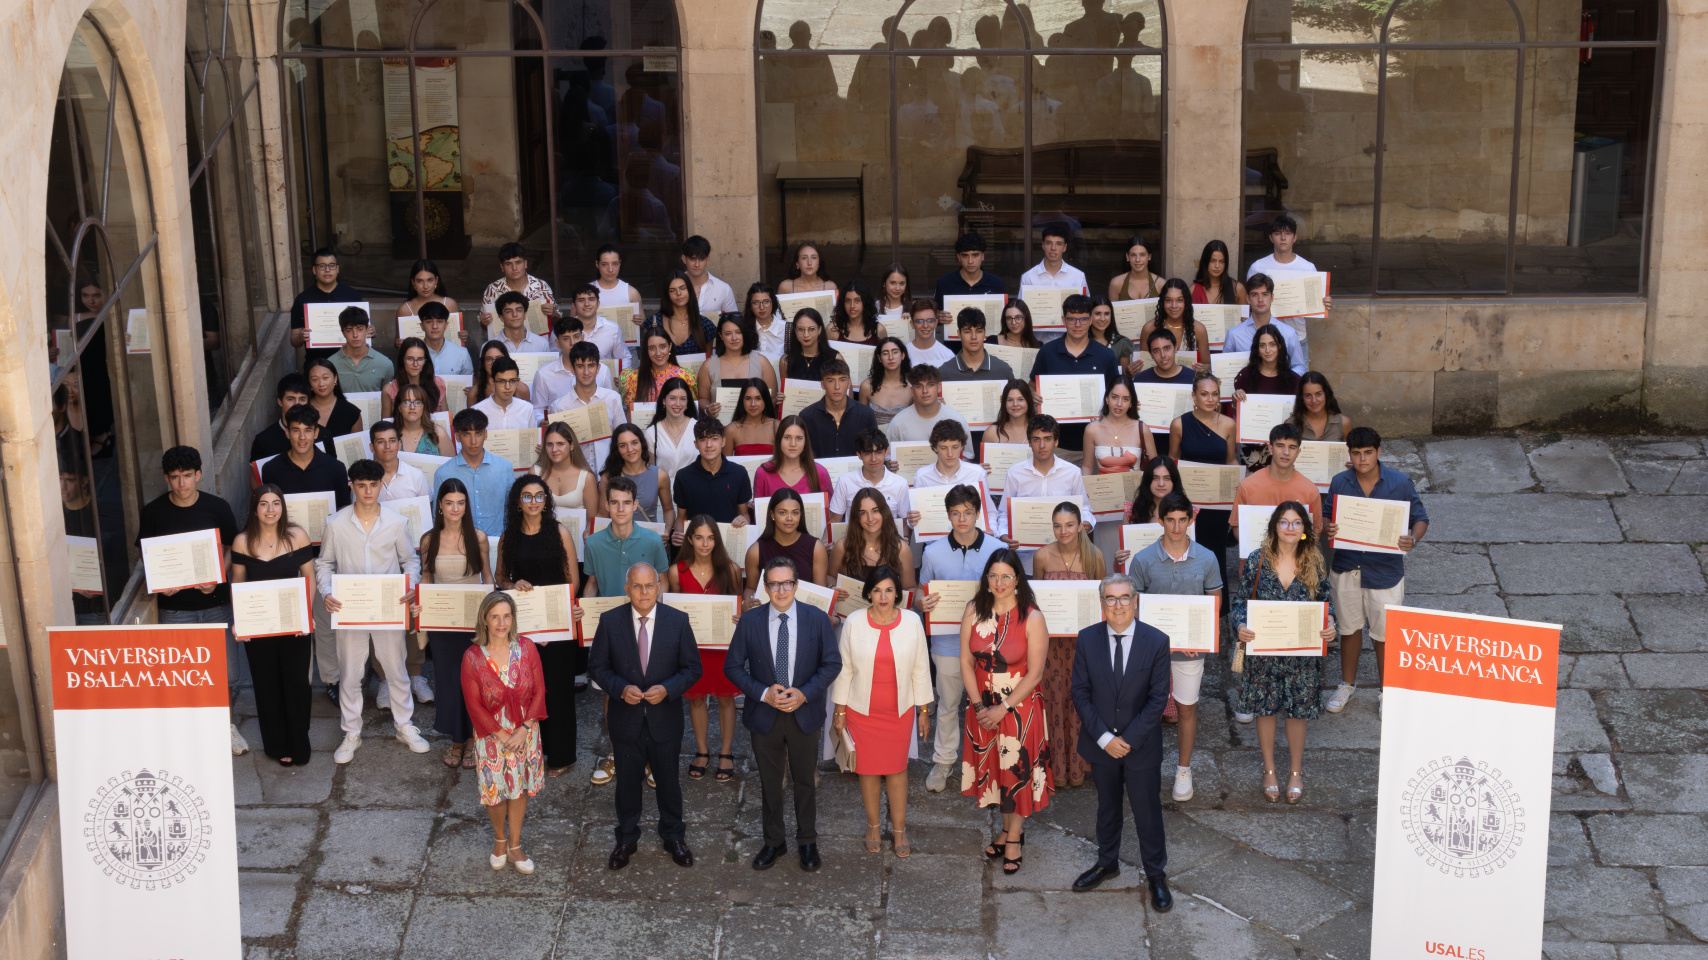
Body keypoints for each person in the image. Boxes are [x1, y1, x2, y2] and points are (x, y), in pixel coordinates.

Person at [725, 556, 843, 871]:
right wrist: (764, 693)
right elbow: (732, 667)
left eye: (786, 583)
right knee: (769, 781)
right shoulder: (750, 622)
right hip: (766, 714)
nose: (780, 590)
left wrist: (804, 693)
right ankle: (773, 842)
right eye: (774, 584)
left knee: (805, 780)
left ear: (796, 585)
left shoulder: (816, 619)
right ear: (765, 586)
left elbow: (832, 664)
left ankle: (807, 842)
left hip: (804, 713)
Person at [1067, 573, 1172, 910]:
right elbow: (1080, 692)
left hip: (1140, 746)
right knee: (1107, 808)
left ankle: (1156, 874)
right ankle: (1106, 862)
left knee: (1147, 813)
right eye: (1110, 599)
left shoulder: (1156, 641)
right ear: (1102, 603)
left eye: (1124, 597)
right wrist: (1103, 738)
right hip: (1102, 746)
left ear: (1135, 600)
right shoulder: (1086, 639)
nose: (1118, 605)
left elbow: (1158, 700)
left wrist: (1125, 740)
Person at [589, 561, 702, 870]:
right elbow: (597, 666)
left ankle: (674, 836)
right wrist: (619, 688)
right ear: (627, 590)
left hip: (664, 718)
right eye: (636, 586)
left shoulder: (677, 621)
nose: (643, 592)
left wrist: (667, 689)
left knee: (668, 781)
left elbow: (693, 668)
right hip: (625, 719)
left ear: (658, 587)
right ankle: (626, 839)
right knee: (626, 783)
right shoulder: (610, 621)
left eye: (649, 585)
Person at [316, 459, 425, 764]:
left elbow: (411, 562)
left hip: (388, 607)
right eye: (361, 485)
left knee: (396, 669)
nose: (367, 491)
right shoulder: (335, 523)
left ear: (380, 486)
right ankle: (351, 733)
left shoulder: (396, 522)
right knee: (350, 673)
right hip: (349, 609)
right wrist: (326, 591)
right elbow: (323, 564)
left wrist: (411, 585)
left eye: (373, 485)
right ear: (352, 485)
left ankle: (404, 726)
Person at [139, 446, 243, 753]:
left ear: (198, 474)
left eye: (187, 476)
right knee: (183, 672)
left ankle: (227, 728)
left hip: (215, 603)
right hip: (175, 608)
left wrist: (218, 576)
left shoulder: (216, 507)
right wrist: (160, 582)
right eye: (175, 477)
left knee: (224, 673)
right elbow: (148, 555)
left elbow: (232, 547)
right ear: (167, 478)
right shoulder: (154, 512)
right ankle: (192, 735)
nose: (182, 483)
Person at [1233, 502, 1339, 803]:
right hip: (1263, 652)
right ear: (1274, 527)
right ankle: (1269, 769)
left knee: (1298, 711)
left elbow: (1326, 604)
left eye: (1296, 523)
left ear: (1305, 530)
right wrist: (1240, 624)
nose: (1290, 528)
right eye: (1283, 522)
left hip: (1301, 654)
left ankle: (1295, 771)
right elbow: (1241, 601)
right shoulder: (1257, 560)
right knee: (1265, 708)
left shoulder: (1315, 562)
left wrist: (1330, 625)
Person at [1321, 427, 1428, 716]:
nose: (1362, 458)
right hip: (1346, 568)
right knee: (1349, 629)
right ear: (1349, 454)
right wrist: (1327, 525)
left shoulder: (1401, 482)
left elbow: (1420, 518)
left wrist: (1413, 539)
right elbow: (1327, 515)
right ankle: (1347, 685)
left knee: (1385, 635)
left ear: (1378, 453)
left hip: (1385, 571)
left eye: (1368, 452)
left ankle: (1387, 692)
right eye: (1356, 453)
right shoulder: (1340, 482)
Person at [959, 548, 1053, 874]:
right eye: (994, 576)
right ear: (987, 579)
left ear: (1017, 580)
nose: (999, 582)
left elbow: (1036, 673)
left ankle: (1014, 836)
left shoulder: (1032, 617)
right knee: (997, 775)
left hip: (1019, 709)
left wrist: (1002, 708)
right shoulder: (974, 610)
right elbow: (966, 662)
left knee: (1016, 773)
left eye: (1006, 576)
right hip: (982, 707)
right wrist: (979, 705)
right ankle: (1007, 827)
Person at [1128, 492, 1223, 802]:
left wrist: (1203, 638)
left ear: (1191, 520)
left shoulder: (1207, 557)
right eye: (1171, 520)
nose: (1177, 527)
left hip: (1189, 649)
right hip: (1150, 650)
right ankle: (1142, 769)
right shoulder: (1142, 560)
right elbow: (1134, 607)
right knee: (1144, 710)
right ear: (1161, 521)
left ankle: (1183, 769)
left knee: (1186, 707)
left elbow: (1214, 602)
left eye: (1183, 520)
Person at [831, 565, 933, 856]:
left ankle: (899, 830)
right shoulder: (854, 622)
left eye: (889, 590)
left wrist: (923, 710)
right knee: (868, 771)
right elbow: (845, 669)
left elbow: (921, 668)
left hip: (898, 712)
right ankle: (873, 825)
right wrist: (839, 711)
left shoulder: (912, 621)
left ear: (897, 593)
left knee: (898, 769)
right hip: (862, 710)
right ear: (869, 594)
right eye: (877, 590)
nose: (883, 596)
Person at [914, 484, 1003, 793]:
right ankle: (943, 762)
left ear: (978, 513)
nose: (962, 519)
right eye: (955, 514)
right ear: (948, 515)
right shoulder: (934, 551)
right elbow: (919, 590)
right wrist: (919, 601)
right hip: (947, 642)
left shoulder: (996, 549)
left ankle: (992, 763)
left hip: (989, 644)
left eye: (967, 513)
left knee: (991, 706)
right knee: (949, 705)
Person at [262, 405, 354, 696]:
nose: (302, 437)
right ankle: (296, 681)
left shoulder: (334, 468)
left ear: (317, 432)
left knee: (326, 622)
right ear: (287, 432)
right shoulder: (272, 468)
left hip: (323, 556)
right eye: (295, 430)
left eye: (308, 430)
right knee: (292, 621)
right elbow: (268, 510)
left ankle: (331, 679)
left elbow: (342, 511)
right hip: (285, 556)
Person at [493, 475, 582, 775]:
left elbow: (573, 581)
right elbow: (500, 578)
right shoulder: (509, 536)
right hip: (524, 625)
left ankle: (561, 757)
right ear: (518, 502)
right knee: (525, 691)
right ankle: (529, 751)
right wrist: (512, 583)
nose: (534, 502)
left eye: (539, 496)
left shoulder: (559, 533)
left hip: (556, 625)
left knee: (557, 691)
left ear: (547, 500)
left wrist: (552, 620)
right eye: (527, 496)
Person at [230, 484, 317, 765]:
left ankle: (298, 741)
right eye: (264, 504)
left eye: (276, 503)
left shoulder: (297, 536)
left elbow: (309, 577)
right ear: (255, 509)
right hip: (259, 627)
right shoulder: (242, 541)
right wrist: (239, 621)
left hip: (294, 623)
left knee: (296, 683)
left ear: (283, 507)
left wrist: (306, 613)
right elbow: (238, 583)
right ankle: (276, 744)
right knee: (267, 684)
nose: (270, 509)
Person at [461, 592, 546, 874]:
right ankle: (499, 839)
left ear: (513, 617)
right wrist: (501, 735)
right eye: (495, 616)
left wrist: (523, 729)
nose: (501, 622)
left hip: (526, 731)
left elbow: (539, 691)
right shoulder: (472, 657)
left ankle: (515, 845)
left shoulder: (527, 647)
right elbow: (473, 706)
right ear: (484, 619)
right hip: (491, 736)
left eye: (506, 616)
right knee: (495, 791)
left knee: (519, 787)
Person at [414, 478, 491, 769]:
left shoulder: (478, 537)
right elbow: (426, 577)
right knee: (447, 680)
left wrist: (492, 617)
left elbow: (487, 578)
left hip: (473, 621)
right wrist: (421, 605)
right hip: (442, 621)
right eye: (449, 503)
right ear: (440, 507)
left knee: (474, 681)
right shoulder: (428, 539)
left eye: (460, 503)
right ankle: (456, 740)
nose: (455, 508)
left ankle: (473, 738)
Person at [1030, 501, 1105, 789]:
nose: (1064, 531)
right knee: (1052, 697)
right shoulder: (1041, 556)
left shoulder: (1094, 555)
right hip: (1049, 642)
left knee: (1080, 699)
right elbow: (1036, 600)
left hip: (1083, 642)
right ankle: (1055, 765)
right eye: (1058, 526)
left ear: (1080, 525)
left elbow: (1102, 600)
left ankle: (1079, 764)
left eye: (1070, 525)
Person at [669, 515, 745, 782]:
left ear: (717, 539)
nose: (705, 543)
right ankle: (702, 751)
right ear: (689, 539)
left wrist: (739, 615)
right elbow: (672, 610)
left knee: (726, 697)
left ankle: (726, 752)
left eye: (711, 537)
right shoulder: (677, 570)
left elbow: (739, 602)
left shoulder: (731, 569)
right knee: (697, 698)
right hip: (693, 646)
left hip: (723, 645)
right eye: (699, 537)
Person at [1002, 415, 1095, 569]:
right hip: (1025, 560)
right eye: (1036, 439)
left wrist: (1087, 523)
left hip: (1065, 560)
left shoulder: (1072, 472)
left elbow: (1084, 508)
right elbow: (1004, 514)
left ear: (1056, 441)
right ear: (1029, 442)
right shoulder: (1015, 473)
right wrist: (1004, 534)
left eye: (1047, 438)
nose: (1042, 445)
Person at [1031, 294, 1116, 457]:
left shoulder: (1106, 355)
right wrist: (1032, 395)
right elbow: (1031, 387)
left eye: (1083, 319)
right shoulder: (1047, 352)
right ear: (1063, 320)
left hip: (1097, 445)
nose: (1077, 325)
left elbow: (1115, 394)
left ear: (1091, 320)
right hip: (1056, 446)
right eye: (1072, 319)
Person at [1245, 214, 1332, 362]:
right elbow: (1249, 302)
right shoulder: (1258, 267)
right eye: (1278, 234)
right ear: (1271, 238)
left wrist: (1324, 303)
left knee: (1299, 381)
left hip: (1297, 336)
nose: (1283, 238)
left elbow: (1315, 304)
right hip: (1265, 339)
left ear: (1295, 237)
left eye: (1287, 233)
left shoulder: (1308, 268)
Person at [547, 342, 628, 472]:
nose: (586, 372)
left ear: (598, 368)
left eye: (591, 365)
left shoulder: (612, 398)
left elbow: (622, 437)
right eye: (580, 366)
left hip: (610, 471)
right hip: (575, 475)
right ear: (572, 369)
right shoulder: (559, 406)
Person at [671, 418, 753, 545]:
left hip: (728, 543)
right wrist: (678, 534)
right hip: (696, 547)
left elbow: (744, 514)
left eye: (714, 438)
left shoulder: (739, 473)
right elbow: (681, 517)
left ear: (723, 441)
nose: (709, 445)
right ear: (696, 444)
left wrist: (744, 520)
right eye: (703, 440)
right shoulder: (684, 476)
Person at [830, 489, 917, 609]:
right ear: (857, 517)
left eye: (875, 511)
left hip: (888, 616)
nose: (870, 518)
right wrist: (832, 588)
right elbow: (830, 576)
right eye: (863, 513)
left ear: (884, 512)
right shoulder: (842, 547)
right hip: (851, 615)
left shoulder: (901, 549)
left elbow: (910, 588)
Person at [434, 408, 514, 538]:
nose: (473, 441)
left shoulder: (504, 467)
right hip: (460, 545)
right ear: (458, 437)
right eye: (466, 434)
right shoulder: (443, 473)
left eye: (478, 433)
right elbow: (437, 516)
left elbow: (512, 509)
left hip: (499, 542)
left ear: (486, 434)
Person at [1222, 275, 1307, 375]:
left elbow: (1299, 366)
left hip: (1280, 389)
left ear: (1272, 297)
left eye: (1265, 294)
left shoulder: (1288, 333)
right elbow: (1224, 368)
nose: (1260, 299)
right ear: (1248, 299)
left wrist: (1283, 380)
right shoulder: (1234, 334)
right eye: (1254, 294)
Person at [289, 247, 362, 363]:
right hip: (317, 362)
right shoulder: (303, 299)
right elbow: (293, 340)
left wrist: (370, 331)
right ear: (314, 270)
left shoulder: (352, 296)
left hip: (350, 361)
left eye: (332, 265)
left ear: (337, 269)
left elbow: (363, 327)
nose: (327, 270)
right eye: (322, 266)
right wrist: (300, 337)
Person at [744, 488, 827, 588]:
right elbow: (750, 589)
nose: (789, 518)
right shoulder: (755, 551)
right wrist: (750, 601)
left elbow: (821, 591)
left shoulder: (816, 547)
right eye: (783, 513)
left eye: (795, 513)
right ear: (772, 514)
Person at [698, 316, 778, 418]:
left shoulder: (762, 362)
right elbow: (702, 399)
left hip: (755, 426)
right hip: (720, 428)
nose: (734, 338)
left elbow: (773, 398)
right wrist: (707, 409)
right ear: (721, 336)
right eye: (728, 334)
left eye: (738, 332)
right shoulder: (708, 365)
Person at [533, 315, 615, 415]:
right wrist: (542, 421)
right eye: (566, 338)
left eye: (576, 337)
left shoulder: (602, 370)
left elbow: (610, 405)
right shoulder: (544, 374)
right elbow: (537, 409)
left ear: (583, 337)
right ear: (557, 343)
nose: (572, 343)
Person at [828, 428, 910, 524]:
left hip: (889, 539)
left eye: (878, 452)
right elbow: (834, 520)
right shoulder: (845, 481)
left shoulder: (900, 483)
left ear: (886, 452)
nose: (873, 459)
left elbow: (905, 522)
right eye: (867, 453)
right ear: (859, 454)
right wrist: (825, 539)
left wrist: (905, 538)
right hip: (855, 538)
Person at [798, 358, 875, 460]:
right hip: (818, 475)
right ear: (822, 384)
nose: (837, 387)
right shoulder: (806, 416)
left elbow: (874, 452)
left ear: (849, 383)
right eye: (831, 381)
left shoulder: (866, 415)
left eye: (842, 380)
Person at [600, 424, 675, 527]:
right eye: (623, 445)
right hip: (619, 538)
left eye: (634, 443)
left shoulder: (660, 475)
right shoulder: (609, 477)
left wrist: (667, 530)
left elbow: (668, 509)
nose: (630, 449)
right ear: (617, 449)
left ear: (641, 443)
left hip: (649, 538)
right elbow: (603, 515)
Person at [1082, 376, 1155, 477]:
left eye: (1125, 399)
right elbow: (1087, 466)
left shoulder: (1142, 429)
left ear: (1131, 403)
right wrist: (1087, 487)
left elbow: (1155, 468)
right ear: (1107, 398)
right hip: (1103, 489)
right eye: (1114, 397)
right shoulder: (1092, 429)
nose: (1119, 404)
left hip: (1135, 491)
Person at [642, 270, 716, 360]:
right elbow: (647, 359)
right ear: (667, 294)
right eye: (672, 290)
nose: (678, 293)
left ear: (689, 290)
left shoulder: (705, 325)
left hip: (696, 374)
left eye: (682, 288)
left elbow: (708, 361)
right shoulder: (653, 323)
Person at [886, 365, 970, 444]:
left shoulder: (957, 420)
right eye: (919, 386)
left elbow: (966, 457)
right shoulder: (898, 423)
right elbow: (889, 457)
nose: (925, 391)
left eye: (931, 385)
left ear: (939, 387)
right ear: (912, 391)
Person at [480, 242, 558, 324]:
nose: (514, 268)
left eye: (518, 262)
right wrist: (484, 321)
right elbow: (483, 324)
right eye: (508, 264)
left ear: (525, 264)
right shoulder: (493, 289)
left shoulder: (541, 286)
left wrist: (554, 314)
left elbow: (557, 321)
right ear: (502, 267)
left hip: (537, 336)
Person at [535, 421, 600, 519]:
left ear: (572, 445)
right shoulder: (536, 473)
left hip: (577, 534)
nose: (554, 449)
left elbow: (592, 520)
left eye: (560, 444)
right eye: (549, 444)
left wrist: (587, 533)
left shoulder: (586, 477)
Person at [754, 416, 832, 498]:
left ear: (805, 441)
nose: (793, 444)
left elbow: (829, 509)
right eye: (787, 437)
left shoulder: (820, 472)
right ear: (779, 440)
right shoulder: (763, 473)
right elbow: (759, 509)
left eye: (799, 438)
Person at [395, 259, 465, 349]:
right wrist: (398, 343)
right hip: (418, 361)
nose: (425, 286)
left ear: (436, 280)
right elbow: (397, 341)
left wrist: (462, 336)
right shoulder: (405, 309)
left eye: (430, 280)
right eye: (420, 281)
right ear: (413, 282)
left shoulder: (449, 304)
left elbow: (457, 338)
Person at [1139, 279, 1210, 366]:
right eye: (1169, 300)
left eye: (1179, 300)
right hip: (1158, 379)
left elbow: (1207, 365)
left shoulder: (1199, 329)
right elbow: (1144, 365)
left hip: (1189, 379)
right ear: (1162, 302)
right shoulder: (1149, 328)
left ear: (1186, 302)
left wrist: (1201, 368)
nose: (1174, 306)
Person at [939, 308, 1015, 385]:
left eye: (979, 331)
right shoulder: (944, 372)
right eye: (967, 332)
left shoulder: (1003, 370)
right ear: (959, 334)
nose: (974, 337)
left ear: (984, 333)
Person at [621, 329, 698, 406]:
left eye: (662, 346)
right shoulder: (634, 377)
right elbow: (631, 413)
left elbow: (690, 410)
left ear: (670, 346)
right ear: (646, 350)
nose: (658, 353)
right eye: (652, 348)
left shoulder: (685, 376)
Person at [304, 357, 362, 456]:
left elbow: (356, 451)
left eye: (325, 378)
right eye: (315, 379)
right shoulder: (302, 410)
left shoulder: (351, 412)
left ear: (335, 378)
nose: (321, 384)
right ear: (309, 382)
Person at [328, 306, 393, 393]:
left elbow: (388, 399)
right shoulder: (330, 364)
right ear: (343, 333)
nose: (355, 335)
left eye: (360, 329)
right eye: (349, 330)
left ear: (367, 330)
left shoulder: (385, 364)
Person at [249, 373, 313, 462]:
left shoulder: (322, 435)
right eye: (290, 399)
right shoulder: (263, 441)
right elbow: (255, 475)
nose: (297, 404)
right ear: (280, 401)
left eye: (302, 399)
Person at [645, 377, 701, 478]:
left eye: (683, 399)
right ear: (663, 401)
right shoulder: (652, 432)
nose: (678, 404)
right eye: (672, 398)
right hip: (664, 491)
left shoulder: (698, 428)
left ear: (687, 402)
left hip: (694, 490)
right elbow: (651, 473)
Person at [1233, 323, 1302, 402]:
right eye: (1262, 345)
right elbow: (1238, 412)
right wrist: (1236, 400)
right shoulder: (1245, 376)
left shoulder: (1294, 380)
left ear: (1279, 346)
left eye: (1272, 344)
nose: (1267, 350)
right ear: (1257, 349)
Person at [934, 231, 1005, 306]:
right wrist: (940, 314)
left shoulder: (995, 283)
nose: (970, 261)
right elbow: (936, 312)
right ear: (959, 257)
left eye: (975, 255)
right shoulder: (944, 283)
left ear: (982, 256)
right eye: (965, 256)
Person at [383, 339, 446, 419]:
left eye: (420, 359)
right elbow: (385, 427)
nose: (415, 364)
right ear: (402, 360)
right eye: (410, 359)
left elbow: (445, 419)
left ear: (425, 361)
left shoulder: (438, 383)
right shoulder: (389, 389)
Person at [370, 420, 429, 504]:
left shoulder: (416, 476)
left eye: (392, 441)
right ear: (372, 447)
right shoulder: (362, 478)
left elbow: (427, 511)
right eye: (380, 442)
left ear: (399, 445)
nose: (387, 446)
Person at [857, 337, 912, 427]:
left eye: (895, 352)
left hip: (903, 439)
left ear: (902, 355)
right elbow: (860, 421)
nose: (891, 357)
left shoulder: (912, 386)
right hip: (874, 439)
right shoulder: (867, 386)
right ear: (879, 358)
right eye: (885, 353)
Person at [471, 357, 538, 430]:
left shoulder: (527, 409)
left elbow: (533, 440)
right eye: (502, 381)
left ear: (518, 381)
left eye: (512, 381)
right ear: (492, 381)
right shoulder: (477, 411)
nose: (507, 387)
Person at [566, 282, 628, 360]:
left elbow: (624, 358)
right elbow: (554, 359)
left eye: (591, 299)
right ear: (574, 305)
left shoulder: (612, 329)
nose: (586, 304)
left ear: (598, 303)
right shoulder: (563, 330)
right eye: (581, 300)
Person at [1021, 222, 1088, 291]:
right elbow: (1022, 302)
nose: (1053, 248)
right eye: (1049, 243)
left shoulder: (1078, 277)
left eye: (1059, 244)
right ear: (1043, 245)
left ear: (1065, 247)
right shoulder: (1028, 277)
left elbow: (1085, 302)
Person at [681, 235, 738, 314]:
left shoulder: (723, 289)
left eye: (701, 259)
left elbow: (734, 321)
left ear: (707, 259)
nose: (697, 264)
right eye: (692, 259)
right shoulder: (674, 287)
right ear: (684, 259)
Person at [781, 307, 839, 382]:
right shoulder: (786, 361)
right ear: (795, 330)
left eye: (811, 329)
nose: (806, 335)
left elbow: (846, 391)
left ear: (819, 330)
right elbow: (785, 390)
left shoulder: (835, 358)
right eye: (801, 329)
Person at [1292, 372, 1353, 442]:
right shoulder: (1291, 424)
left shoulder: (1344, 423)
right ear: (1301, 397)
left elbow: (1348, 451)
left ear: (1326, 394)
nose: (1314, 401)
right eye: (1308, 395)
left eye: (1318, 394)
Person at [724, 379, 779, 455]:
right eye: (748, 398)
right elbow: (726, 464)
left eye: (758, 398)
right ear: (742, 401)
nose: (753, 404)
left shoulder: (776, 426)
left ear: (765, 400)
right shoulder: (731, 429)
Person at [394, 384, 451, 455]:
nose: (412, 407)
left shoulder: (439, 433)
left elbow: (451, 465)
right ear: (399, 408)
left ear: (424, 407)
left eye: (417, 402)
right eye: (406, 402)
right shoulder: (390, 434)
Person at [1107, 235, 1166, 301]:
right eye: (1133, 255)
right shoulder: (1116, 283)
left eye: (1142, 255)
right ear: (1127, 256)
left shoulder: (1161, 284)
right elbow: (1111, 311)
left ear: (1149, 256)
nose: (1138, 259)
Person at [830, 279, 888, 346]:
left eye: (857, 301)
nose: (852, 306)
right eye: (848, 301)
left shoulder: (879, 330)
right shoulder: (833, 330)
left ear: (865, 302)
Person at [1087, 297, 1135, 375]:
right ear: (1089, 315)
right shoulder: (1081, 341)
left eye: (1106, 314)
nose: (1103, 319)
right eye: (1097, 314)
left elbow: (1124, 378)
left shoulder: (1121, 343)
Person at [592, 244, 645, 315]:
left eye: (615, 264)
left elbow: (643, 323)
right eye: (604, 264)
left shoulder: (631, 293)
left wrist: (639, 321)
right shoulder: (586, 292)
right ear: (597, 264)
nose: (610, 269)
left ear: (620, 263)